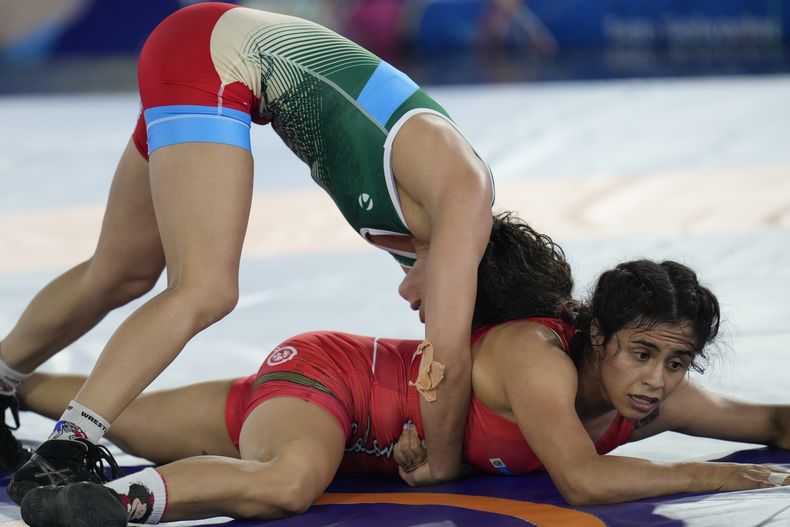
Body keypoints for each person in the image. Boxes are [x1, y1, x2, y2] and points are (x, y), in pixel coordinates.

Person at [0, 1, 497, 499]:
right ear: (467, 274)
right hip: (215, 59)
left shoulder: (436, 235)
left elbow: (457, 348)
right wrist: (444, 464)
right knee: (206, 288)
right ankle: (67, 447)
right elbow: (446, 358)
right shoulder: (461, 195)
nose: (412, 300)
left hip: (204, 53)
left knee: (121, 272)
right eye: (433, 304)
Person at [14, 222, 790, 526]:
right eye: (642, 352)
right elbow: (582, 481)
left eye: (675, 361)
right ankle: (104, 506)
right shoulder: (537, 356)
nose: (656, 380)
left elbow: (769, 422)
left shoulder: (652, 392)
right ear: (596, 334)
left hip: (313, 404)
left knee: (91, 405)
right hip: (336, 385)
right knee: (286, 483)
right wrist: (711, 475)